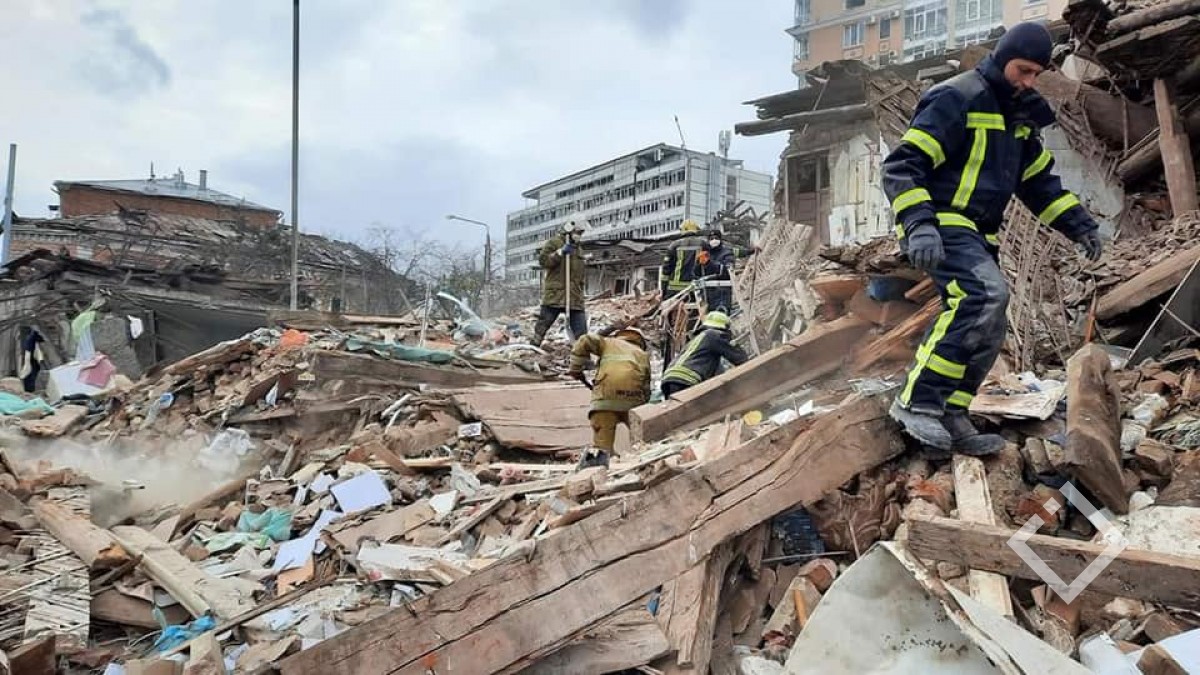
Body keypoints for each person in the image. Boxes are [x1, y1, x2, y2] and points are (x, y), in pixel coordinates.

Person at [882, 22, 1103, 458]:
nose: (1029, 82)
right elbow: (902, 166)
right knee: (983, 295)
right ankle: (916, 400)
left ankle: (951, 412)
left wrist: (1079, 225)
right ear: (1002, 59)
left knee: (990, 319)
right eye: (1023, 70)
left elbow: (1037, 183)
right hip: (941, 221)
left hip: (979, 232)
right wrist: (919, 224)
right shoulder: (957, 97)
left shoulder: (1019, 117)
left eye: (1037, 74)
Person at [567, 327, 652, 469]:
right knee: (641, 446)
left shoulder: (608, 343)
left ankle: (601, 471)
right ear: (641, 342)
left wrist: (575, 368)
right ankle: (642, 468)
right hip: (633, 402)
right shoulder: (643, 355)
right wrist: (643, 410)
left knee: (602, 450)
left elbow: (585, 339)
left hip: (605, 401)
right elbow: (646, 387)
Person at [661, 311, 748, 398]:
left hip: (669, 380)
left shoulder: (696, 341)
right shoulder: (713, 335)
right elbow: (739, 357)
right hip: (687, 379)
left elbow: (718, 372)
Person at [533, 221, 587, 346]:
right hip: (556, 294)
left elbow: (581, 276)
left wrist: (580, 291)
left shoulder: (579, 250)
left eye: (581, 233)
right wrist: (559, 253)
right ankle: (533, 347)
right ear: (569, 231)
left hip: (574, 297)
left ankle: (583, 353)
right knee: (543, 325)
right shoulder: (554, 243)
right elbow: (543, 261)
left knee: (582, 333)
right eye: (577, 232)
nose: (579, 235)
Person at [698, 230, 756, 313]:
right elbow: (697, 272)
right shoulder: (705, 253)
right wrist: (698, 263)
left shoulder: (727, 252)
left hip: (722, 293)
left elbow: (727, 271)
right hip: (707, 294)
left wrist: (709, 263)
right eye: (711, 238)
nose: (714, 240)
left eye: (716, 238)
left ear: (720, 239)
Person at [659, 220, 706, 300]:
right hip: (695, 288)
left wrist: (663, 290)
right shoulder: (703, 244)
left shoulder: (674, 245)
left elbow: (666, 270)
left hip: (675, 290)